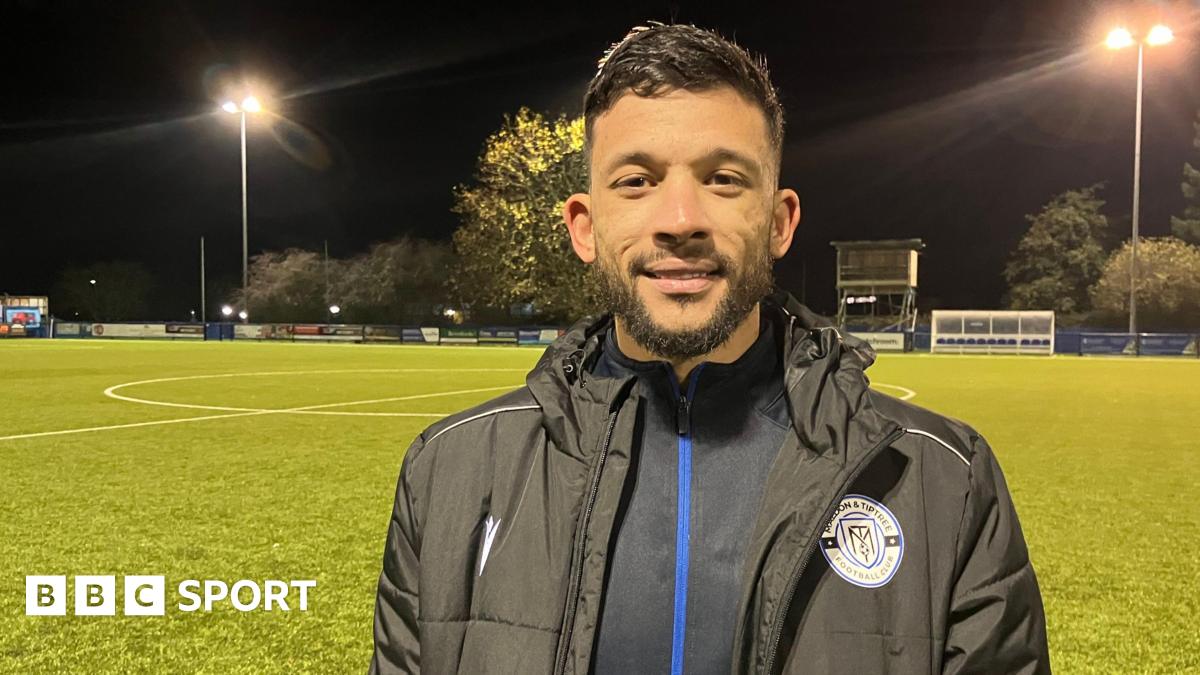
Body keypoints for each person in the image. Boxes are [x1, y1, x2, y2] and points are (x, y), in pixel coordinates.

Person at [370, 22, 1049, 674]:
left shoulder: (943, 480)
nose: (681, 220)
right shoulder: (449, 472)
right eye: (637, 180)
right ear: (585, 226)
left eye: (723, 178)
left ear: (779, 221)